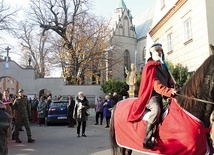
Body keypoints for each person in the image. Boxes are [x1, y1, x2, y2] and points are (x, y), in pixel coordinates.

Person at [127, 43, 177, 149]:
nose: (159, 53)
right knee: (156, 110)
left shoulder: (164, 66)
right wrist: (169, 91)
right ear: (151, 52)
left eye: (161, 51)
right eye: (157, 51)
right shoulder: (149, 66)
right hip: (152, 96)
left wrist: (173, 85)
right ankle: (148, 137)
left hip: (166, 95)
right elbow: (156, 85)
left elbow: (168, 81)